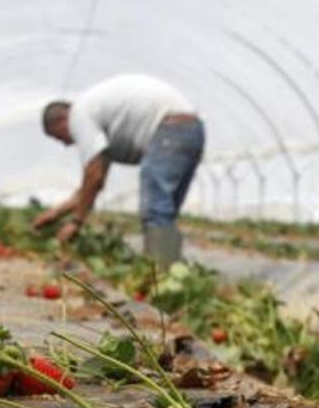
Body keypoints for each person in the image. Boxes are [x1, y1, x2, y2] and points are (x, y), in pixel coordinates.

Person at [33, 74, 204, 265]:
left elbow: (94, 176)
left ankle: (161, 271)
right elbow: (93, 184)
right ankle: (171, 269)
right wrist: (55, 213)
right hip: (192, 131)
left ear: (61, 121)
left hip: (170, 131)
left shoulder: (78, 115)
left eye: (59, 137)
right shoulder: (97, 115)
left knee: (155, 210)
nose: (65, 144)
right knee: (164, 213)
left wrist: (76, 222)